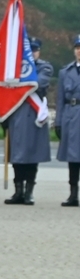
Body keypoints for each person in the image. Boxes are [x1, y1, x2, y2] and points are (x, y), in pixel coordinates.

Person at [3, 38, 54, 205]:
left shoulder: (45, 67)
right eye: (29, 51)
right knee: (17, 155)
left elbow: (38, 83)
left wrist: (19, 80)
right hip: (17, 112)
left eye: (34, 50)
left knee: (32, 154)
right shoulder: (15, 68)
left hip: (34, 115)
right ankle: (18, 191)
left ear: (39, 52)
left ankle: (29, 192)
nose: (32, 54)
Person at [59, 36, 80, 207]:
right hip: (71, 115)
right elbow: (60, 99)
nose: (79, 51)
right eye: (77, 48)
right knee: (73, 158)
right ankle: (73, 194)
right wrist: (59, 122)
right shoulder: (65, 72)